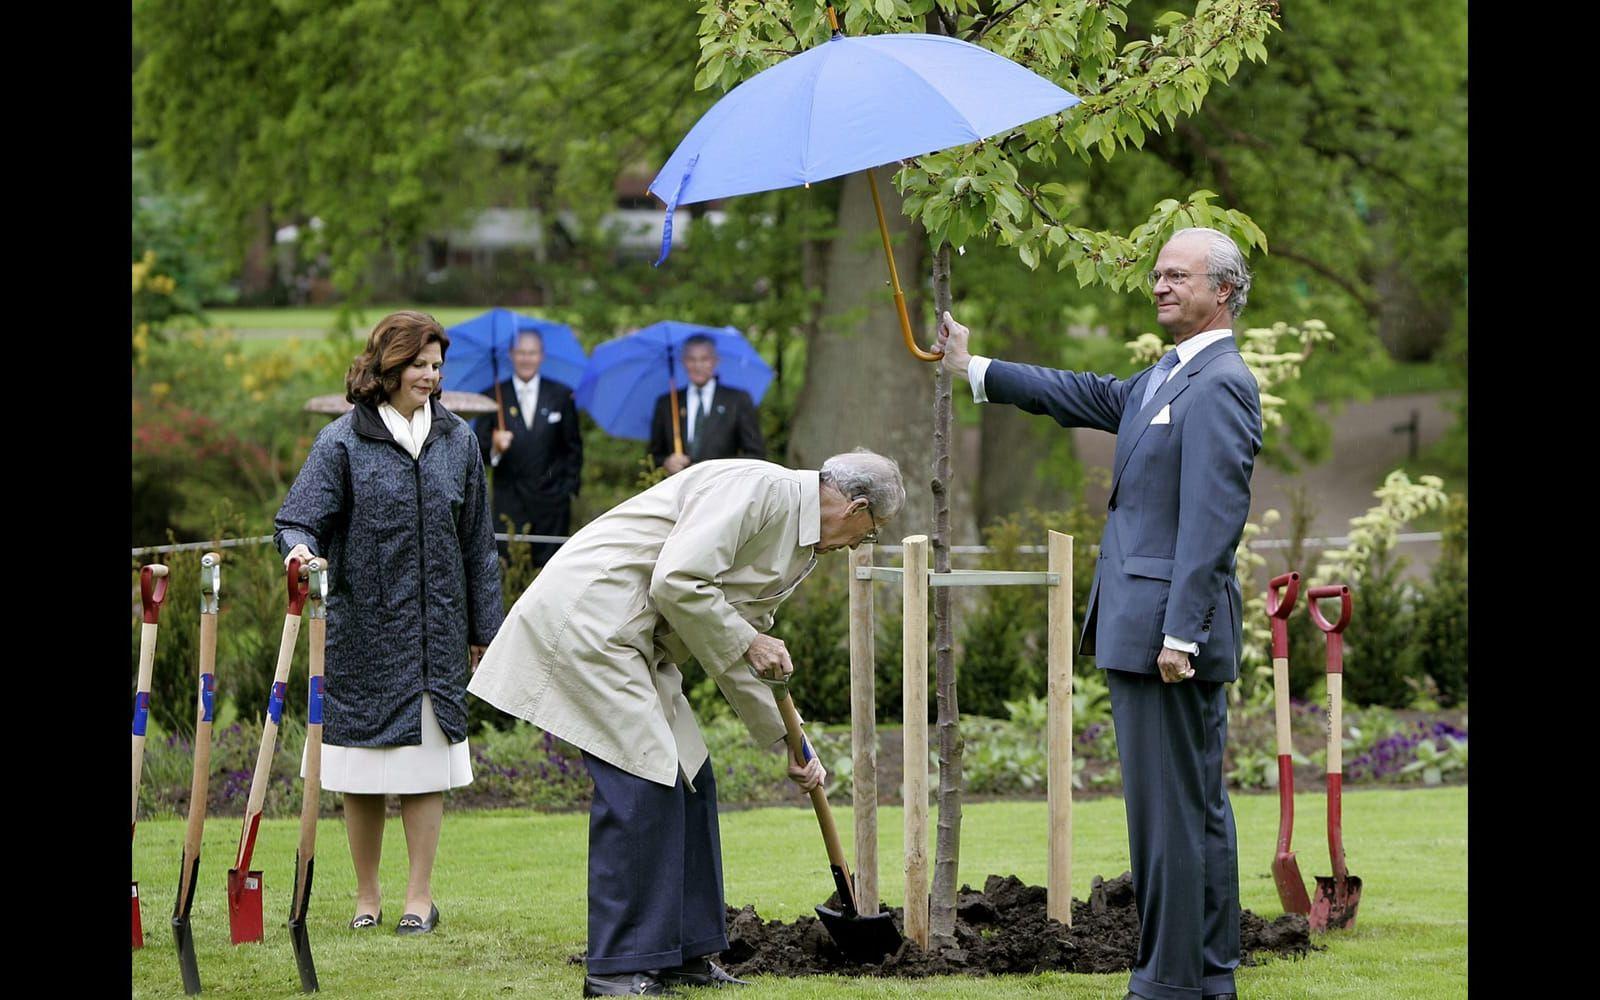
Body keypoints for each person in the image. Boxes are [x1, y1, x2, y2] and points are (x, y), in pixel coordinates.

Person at [937, 227, 1262, 1000]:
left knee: (1169, 817)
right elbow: (1086, 395)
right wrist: (974, 367)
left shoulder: (1221, 382)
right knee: (1195, 811)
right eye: (1156, 274)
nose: (1159, 285)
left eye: (1177, 276)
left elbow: (1214, 517)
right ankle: (1209, 975)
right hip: (1147, 631)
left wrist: (1182, 632)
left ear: (1223, 290)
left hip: (1165, 639)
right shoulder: (1165, 375)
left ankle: (1171, 982)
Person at [468, 450, 904, 997]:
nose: (862, 544)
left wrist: (790, 739)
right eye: (871, 533)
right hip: (595, 621)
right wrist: (749, 640)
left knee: (694, 776)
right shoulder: (759, 491)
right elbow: (677, 581)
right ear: (857, 507)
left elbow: (742, 646)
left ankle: (687, 953)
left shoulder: (799, 546)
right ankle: (618, 968)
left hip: (640, 642)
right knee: (644, 776)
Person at [275, 310, 504, 937]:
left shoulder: (459, 441)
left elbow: (478, 545)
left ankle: (419, 899)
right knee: (363, 775)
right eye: (420, 365)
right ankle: (367, 897)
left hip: (435, 638)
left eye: (437, 366)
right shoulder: (342, 441)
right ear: (390, 366)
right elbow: (296, 520)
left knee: (425, 770)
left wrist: (485, 631)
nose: (431, 377)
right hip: (362, 635)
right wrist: (301, 554)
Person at [474, 329, 583, 567]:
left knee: (551, 572)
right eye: (521, 352)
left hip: (552, 505)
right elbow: (477, 455)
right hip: (510, 504)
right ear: (511, 355)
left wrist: (568, 489)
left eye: (532, 353)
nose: (526, 358)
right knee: (511, 570)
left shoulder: (561, 395)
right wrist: (494, 446)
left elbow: (573, 448)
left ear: (541, 356)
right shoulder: (493, 397)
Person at [648, 334, 765, 474]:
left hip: (723, 490)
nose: (698, 366)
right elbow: (652, 458)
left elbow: (756, 455)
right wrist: (666, 463)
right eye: (692, 359)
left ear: (716, 360)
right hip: (678, 491)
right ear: (683, 361)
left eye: (705, 359)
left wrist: (718, 471)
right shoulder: (667, 403)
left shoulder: (738, 400)